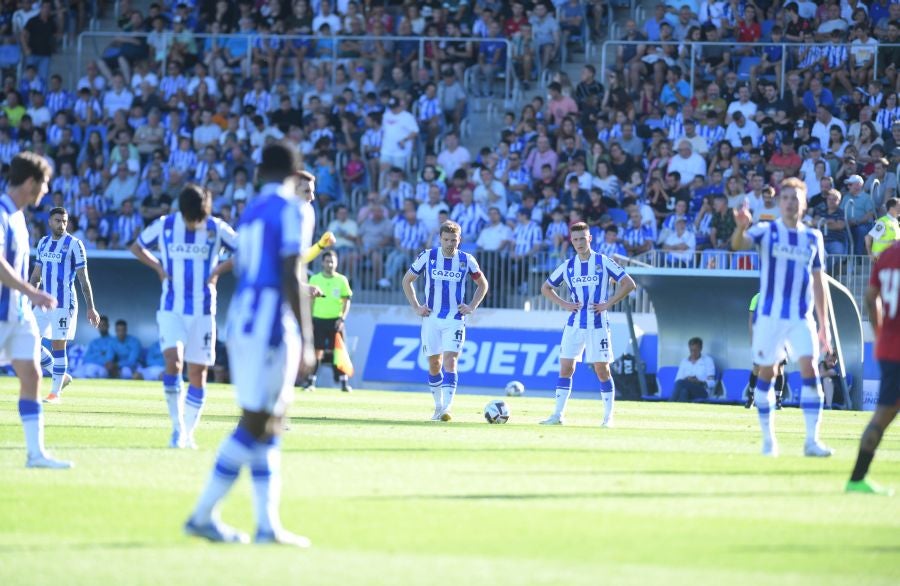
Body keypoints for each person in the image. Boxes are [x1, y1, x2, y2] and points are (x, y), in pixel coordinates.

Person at [185, 142, 315, 546]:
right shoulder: (294, 208)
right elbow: (291, 269)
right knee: (258, 421)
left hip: (242, 317)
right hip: (269, 323)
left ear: (260, 172)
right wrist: (307, 336)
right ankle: (203, 514)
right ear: (295, 172)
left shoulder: (252, 209)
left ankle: (266, 525)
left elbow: (244, 265)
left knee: (269, 422)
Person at [732, 178, 834, 457]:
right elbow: (739, 245)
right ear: (779, 203)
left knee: (810, 369)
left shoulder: (813, 237)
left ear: (804, 203)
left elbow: (819, 282)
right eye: (786, 197)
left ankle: (812, 441)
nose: (790, 202)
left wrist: (824, 324)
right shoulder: (767, 231)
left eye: (795, 198)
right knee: (768, 372)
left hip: (801, 317)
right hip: (769, 317)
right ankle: (769, 441)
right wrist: (740, 227)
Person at [131, 184, 237, 449]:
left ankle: (189, 433)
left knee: (198, 373)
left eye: (197, 219)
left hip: (203, 310)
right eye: (190, 219)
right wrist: (158, 267)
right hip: (171, 308)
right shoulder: (165, 225)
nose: (193, 224)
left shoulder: (216, 228)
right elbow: (137, 247)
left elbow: (246, 250)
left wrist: (218, 270)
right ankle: (177, 429)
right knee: (173, 359)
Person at [1, 153, 68, 468]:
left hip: (18, 313)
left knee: (32, 374)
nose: (47, 190)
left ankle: (36, 454)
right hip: (4, 313)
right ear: (31, 182)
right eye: (45, 183)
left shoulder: (18, 216)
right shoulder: (2, 213)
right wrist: (31, 291)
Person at [539, 222, 637, 426]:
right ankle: (558, 415)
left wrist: (608, 303)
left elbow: (629, 284)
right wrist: (565, 304)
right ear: (571, 241)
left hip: (598, 325)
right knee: (566, 368)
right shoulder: (568, 266)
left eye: (582, 238)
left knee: (602, 370)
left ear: (589, 238)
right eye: (575, 239)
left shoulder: (603, 261)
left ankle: (608, 417)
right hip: (574, 324)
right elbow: (546, 287)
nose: (579, 243)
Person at [401, 220, 489, 421]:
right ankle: (438, 406)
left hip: (455, 319)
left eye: (454, 240)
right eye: (446, 239)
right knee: (434, 363)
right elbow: (407, 280)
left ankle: (448, 408)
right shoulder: (428, 256)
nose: (450, 243)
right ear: (440, 239)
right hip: (431, 317)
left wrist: (472, 306)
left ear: (460, 240)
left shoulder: (467, 260)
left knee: (451, 361)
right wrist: (416, 306)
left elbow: (482, 284)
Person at [30, 207, 101, 404]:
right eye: (57, 220)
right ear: (49, 222)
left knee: (57, 345)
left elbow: (83, 279)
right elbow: (36, 276)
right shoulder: (43, 243)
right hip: (44, 302)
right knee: (29, 340)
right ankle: (62, 376)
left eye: (64, 221)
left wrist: (91, 307)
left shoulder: (75, 244)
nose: (61, 225)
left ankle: (55, 394)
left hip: (64, 303)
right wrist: (28, 299)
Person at [846, 240, 900, 495]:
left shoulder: (887, 254)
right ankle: (856, 479)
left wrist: (880, 332)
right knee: (883, 415)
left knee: (884, 414)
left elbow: (870, 297)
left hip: (888, 346)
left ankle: (857, 478)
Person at [305, 250, 353, 393]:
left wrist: (342, 318)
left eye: (332, 261)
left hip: (335, 321)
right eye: (327, 261)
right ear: (322, 263)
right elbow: (310, 301)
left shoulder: (342, 280)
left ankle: (344, 382)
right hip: (318, 320)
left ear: (336, 263)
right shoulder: (315, 279)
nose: (330, 264)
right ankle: (311, 382)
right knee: (317, 351)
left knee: (339, 352)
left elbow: (346, 301)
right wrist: (309, 319)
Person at [744, 293, 787, 410]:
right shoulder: (757, 298)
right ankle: (751, 397)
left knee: (779, 369)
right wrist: (752, 339)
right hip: (762, 337)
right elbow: (751, 320)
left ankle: (778, 400)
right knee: (757, 368)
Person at [671, 337, 716, 402]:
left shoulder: (708, 360)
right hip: (687, 388)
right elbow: (677, 380)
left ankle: (670, 403)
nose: (693, 353)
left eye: (696, 350)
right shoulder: (684, 361)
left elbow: (712, 382)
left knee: (681, 384)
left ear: (701, 348)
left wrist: (699, 382)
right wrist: (687, 379)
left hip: (702, 390)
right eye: (691, 350)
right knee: (684, 392)